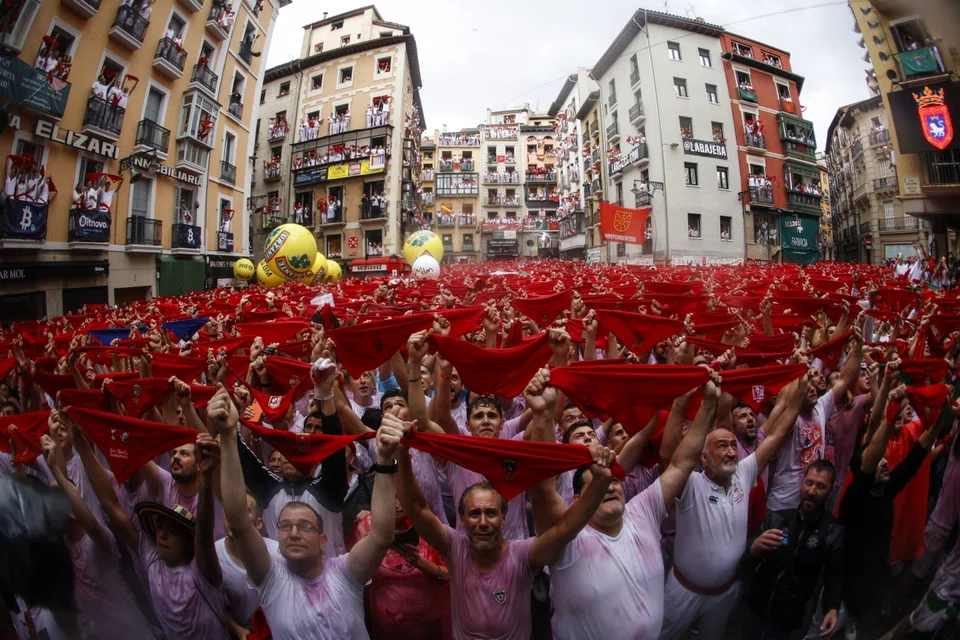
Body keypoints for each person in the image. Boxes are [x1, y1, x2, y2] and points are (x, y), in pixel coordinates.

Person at [527, 367, 722, 639]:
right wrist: (542, 414)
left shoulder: (642, 511)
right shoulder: (567, 536)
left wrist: (709, 404)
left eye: (613, 481)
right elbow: (543, 489)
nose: (609, 485)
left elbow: (682, 463)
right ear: (577, 500)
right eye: (597, 483)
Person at [396, 411, 620, 640]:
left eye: (491, 513)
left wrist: (600, 483)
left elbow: (565, 530)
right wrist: (402, 453)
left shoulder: (522, 555)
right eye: (475, 513)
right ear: (461, 519)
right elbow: (417, 508)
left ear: (504, 517)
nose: (483, 522)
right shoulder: (454, 548)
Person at [214, 383, 401, 639]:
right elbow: (238, 522)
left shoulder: (345, 573)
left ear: (323, 540)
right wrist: (227, 435)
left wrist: (386, 460)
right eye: (284, 526)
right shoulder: (270, 579)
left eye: (304, 526)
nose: (293, 533)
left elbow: (381, 536)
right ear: (275, 539)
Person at [659, 373, 810, 640]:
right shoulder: (691, 485)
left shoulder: (743, 473)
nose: (731, 452)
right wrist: (681, 402)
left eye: (732, 445)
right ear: (703, 458)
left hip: (725, 594)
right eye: (722, 446)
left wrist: (800, 391)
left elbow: (777, 435)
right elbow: (669, 455)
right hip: (682, 593)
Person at [69, 412, 232, 639]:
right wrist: (81, 441)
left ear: (188, 543)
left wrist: (206, 477)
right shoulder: (152, 559)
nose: (162, 534)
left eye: (173, 530)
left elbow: (203, 536)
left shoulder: (202, 572)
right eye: (160, 527)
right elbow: (111, 506)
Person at [741, 460, 844, 639]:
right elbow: (745, 565)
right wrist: (754, 547)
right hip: (755, 606)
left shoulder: (832, 532)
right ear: (802, 483)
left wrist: (831, 608)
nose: (812, 491)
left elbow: (834, 575)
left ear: (830, 490)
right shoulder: (778, 519)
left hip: (787, 618)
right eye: (809, 483)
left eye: (820, 486)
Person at [765, 327, 863, 512]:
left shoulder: (820, 408)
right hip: (784, 504)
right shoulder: (789, 417)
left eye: (813, 386)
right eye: (806, 385)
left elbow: (844, 380)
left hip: (814, 501)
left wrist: (858, 348)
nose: (811, 389)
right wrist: (797, 368)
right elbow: (785, 399)